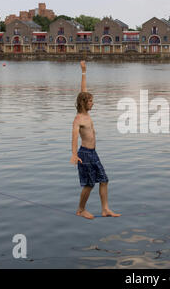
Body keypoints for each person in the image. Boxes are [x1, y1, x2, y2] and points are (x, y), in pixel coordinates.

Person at [70, 61, 121, 220]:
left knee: (104, 180)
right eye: (91, 101)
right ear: (84, 103)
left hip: (93, 153)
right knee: (89, 184)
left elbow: (83, 91)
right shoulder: (79, 118)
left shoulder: (87, 114)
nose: (93, 103)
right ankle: (80, 209)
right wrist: (73, 154)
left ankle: (105, 209)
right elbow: (74, 136)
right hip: (84, 154)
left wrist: (84, 72)